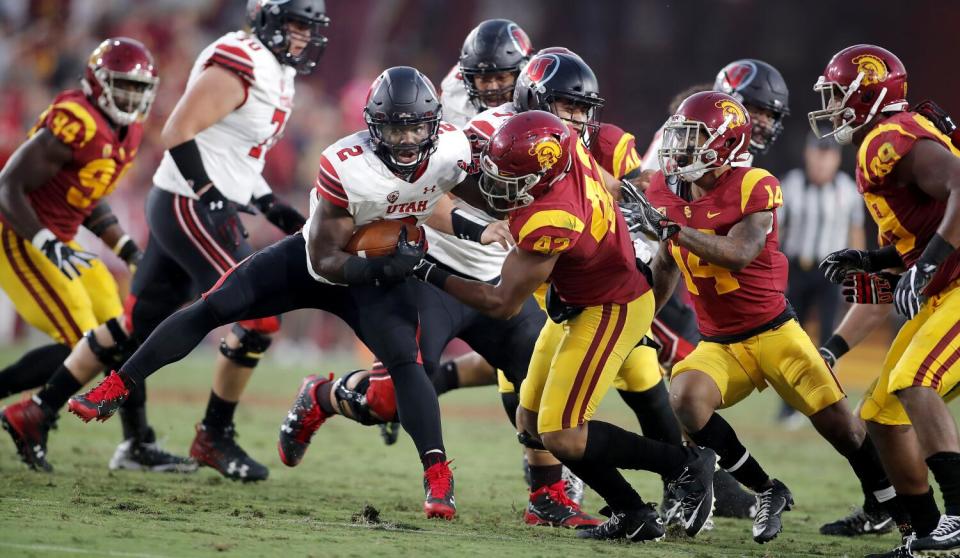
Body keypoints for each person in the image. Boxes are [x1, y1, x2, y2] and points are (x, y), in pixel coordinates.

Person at [70, 66, 490, 520]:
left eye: (415, 128)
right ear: (372, 126)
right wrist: (386, 265)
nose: (407, 140)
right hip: (315, 263)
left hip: (377, 279)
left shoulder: (453, 147)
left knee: (408, 365)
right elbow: (326, 257)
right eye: (394, 128)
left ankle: (437, 476)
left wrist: (490, 227)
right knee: (214, 305)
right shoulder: (347, 163)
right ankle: (116, 385)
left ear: (433, 124)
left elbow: (456, 189)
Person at [416, 110, 718, 543]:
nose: (503, 188)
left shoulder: (550, 218)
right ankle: (634, 513)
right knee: (531, 420)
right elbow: (599, 177)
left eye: (514, 180)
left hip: (610, 307)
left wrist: (425, 269)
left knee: (562, 434)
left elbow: (501, 303)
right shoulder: (567, 147)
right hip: (581, 302)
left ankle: (684, 466)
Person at [65, 0, 327, 482]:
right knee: (260, 317)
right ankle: (214, 435)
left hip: (192, 199)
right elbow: (178, 130)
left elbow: (234, 152)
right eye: (295, 26)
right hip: (189, 201)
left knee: (138, 322)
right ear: (267, 18)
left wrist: (267, 202)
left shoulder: (276, 71)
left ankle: (39, 415)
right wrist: (208, 196)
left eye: (309, 29)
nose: (303, 38)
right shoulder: (243, 58)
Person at [644, 91, 902, 544]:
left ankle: (888, 505)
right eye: (681, 136)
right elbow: (666, 265)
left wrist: (676, 230)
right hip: (721, 343)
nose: (681, 148)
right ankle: (768, 489)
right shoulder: (664, 191)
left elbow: (741, 253)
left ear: (724, 145)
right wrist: (637, 318)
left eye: (694, 138)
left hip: (776, 332)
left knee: (841, 425)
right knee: (685, 398)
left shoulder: (754, 184)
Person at [0, 37, 193, 473]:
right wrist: (44, 240)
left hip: (61, 241)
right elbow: (7, 185)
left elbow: (87, 193)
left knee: (126, 329)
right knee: (84, 346)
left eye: (138, 89)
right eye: (122, 86)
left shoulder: (128, 131)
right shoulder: (76, 120)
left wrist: (124, 246)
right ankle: (33, 416)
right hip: (19, 235)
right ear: (98, 81)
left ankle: (136, 445)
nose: (131, 97)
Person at [809, 44, 960, 557]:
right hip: (945, 288)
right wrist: (876, 260)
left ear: (867, 93)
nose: (830, 108)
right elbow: (919, 232)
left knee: (916, 379)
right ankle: (924, 534)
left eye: (837, 95)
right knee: (881, 412)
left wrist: (930, 262)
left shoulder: (890, 139)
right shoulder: (885, 141)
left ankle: (959, 515)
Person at [775, 132, 865, 427]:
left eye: (829, 154)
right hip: (796, 271)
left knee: (828, 336)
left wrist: (857, 275)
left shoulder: (848, 190)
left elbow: (856, 236)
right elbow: (776, 232)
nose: (823, 160)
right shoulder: (790, 185)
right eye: (818, 153)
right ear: (807, 153)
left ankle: (826, 405)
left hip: (830, 274)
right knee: (789, 338)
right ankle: (788, 405)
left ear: (837, 158)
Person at [439, 18, 533, 128]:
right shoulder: (454, 94)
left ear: (522, 74)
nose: (492, 87)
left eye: (501, 78)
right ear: (469, 78)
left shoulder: (538, 88)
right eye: (484, 79)